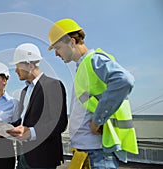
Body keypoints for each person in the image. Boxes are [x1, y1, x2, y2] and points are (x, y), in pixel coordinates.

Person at [48, 18, 139, 168]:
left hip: (98, 155)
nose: (56, 54)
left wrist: (97, 120)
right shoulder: (83, 67)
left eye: (58, 47)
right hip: (88, 153)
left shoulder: (93, 60)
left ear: (71, 41)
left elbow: (124, 80)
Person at [7, 43, 68, 169]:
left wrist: (31, 133)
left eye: (18, 66)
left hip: (42, 159)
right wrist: (2, 126)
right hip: (23, 156)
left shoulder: (53, 85)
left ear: (29, 66)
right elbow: (25, 121)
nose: (16, 70)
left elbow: (59, 122)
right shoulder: (25, 91)